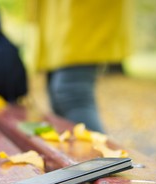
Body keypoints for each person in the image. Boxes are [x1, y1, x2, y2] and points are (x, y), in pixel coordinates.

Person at [29, 0, 132, 132]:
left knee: (71, 93)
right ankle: (73, 151)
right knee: (57, 98)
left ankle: (99, 152)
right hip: (56, 26)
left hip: (79, 21)